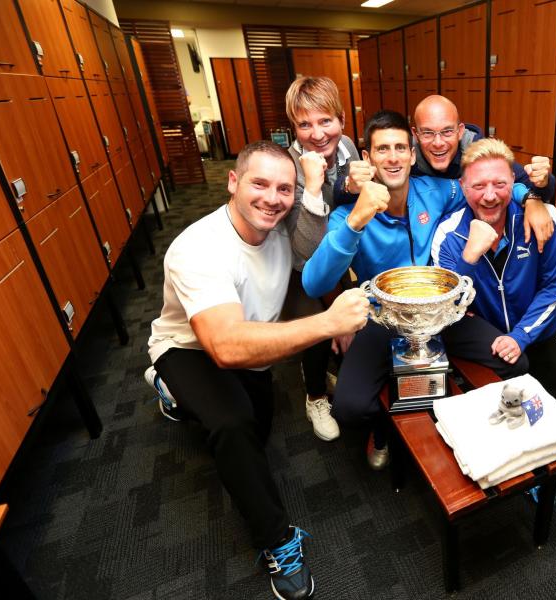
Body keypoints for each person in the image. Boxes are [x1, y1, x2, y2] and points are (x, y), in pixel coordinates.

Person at [145, 140, 371, 600]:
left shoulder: (283, 227)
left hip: (251, 344)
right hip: (191, 346)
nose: (272, 198)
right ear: (233, 181)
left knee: (259, 429)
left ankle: (195, 400)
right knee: (231, 425)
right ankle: (278, 541)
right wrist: (328, 323)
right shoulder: (198, 248)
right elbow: (225, 347)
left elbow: (314, 271)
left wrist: (336, 312)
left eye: (284, 188)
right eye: (260, 183)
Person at [301, 110, 528, 469]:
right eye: (382, 149)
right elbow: (313, 282)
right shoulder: (347, 216)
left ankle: (473, 424)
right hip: (382, 319)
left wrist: (530, 198)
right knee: (348, 408)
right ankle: (384, 428)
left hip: (439, 312)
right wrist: (358, 220)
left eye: (400, 148)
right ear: (367, 158)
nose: (392, 157)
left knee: (513, 359)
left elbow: (485, 182)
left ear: (411, 154)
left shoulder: (437, 190)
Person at [432, 138, 556, 405]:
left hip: (539, 330)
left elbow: (555, 286)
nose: (489, 195)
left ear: (514, 182)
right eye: (478, 186)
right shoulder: (447, 235)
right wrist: (469, 257)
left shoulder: (544, 218)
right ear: (463, 187)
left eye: (500, 184)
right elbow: (447, 305)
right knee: (496, 414)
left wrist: (520, 336)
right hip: (491, 338)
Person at [337, 94, 556, 252]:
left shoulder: (479, 154)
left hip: (473, 240)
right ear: (415, 134)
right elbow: (350, 192)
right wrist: (348, 185)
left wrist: (534, 198)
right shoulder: (401, 157)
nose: (438, 143)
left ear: (460, 131)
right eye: (428, 133)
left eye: (447, 132)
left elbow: (518, 182)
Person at [281, 76, 359, 443]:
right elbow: (306, 254)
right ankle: (314, 395)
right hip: (296, 265)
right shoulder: (289, 168)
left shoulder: (348, 149)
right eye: (304, 124)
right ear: (293, 128)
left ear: (342, 119)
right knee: (315, 322)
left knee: (360, 313)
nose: (317, 134)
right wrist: (312, 186)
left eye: (325, 120)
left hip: (336, 254)